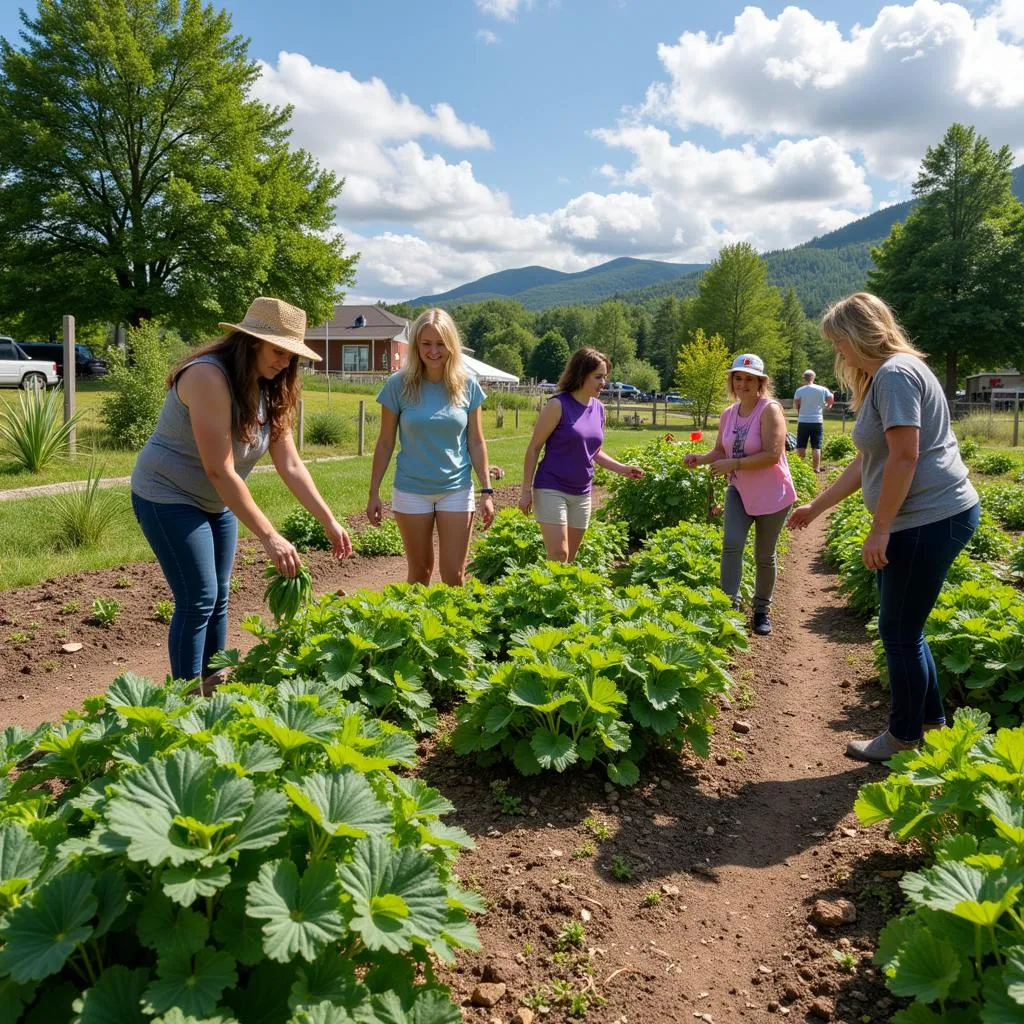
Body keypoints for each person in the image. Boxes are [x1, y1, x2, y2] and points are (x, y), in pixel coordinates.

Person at [789, 293, 979, 763]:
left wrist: (880, 530)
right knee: (906, 629)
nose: (839, 354)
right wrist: (817, 506)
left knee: (898, 632)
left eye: (839, 342)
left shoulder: (894, 375)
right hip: (930, 519)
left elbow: (905, 456)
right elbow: (869, 461)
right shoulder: (889, 376)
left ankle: (903, 737)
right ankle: (931, 725)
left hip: (926, 521)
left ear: (859, 335)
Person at [131, 296, 353, 684]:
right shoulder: (208, 378)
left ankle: (214, 686)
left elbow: (291, 464)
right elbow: (219, 469)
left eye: (291, 354)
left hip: (217, 501)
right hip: (167, 494)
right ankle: (184, 703)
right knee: (198, 597)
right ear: (250, 341)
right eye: (277, 351)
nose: (285, 361)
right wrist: (270, 536)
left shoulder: (271, 387)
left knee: (219, 596)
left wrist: (329, 519)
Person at [366, 308, 494, 585]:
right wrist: (374, 492)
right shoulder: (398, 385)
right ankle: (414, 627)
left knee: (453, 574)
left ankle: (452, 629)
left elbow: (475, 440)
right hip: (411, 490)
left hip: (456, 489)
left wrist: (486, 490)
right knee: (420, 572)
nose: (433, 351)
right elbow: (386, 442)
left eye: (440, 344)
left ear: (451, 345)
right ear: (416, 346)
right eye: (426, 343)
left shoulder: (467, 386)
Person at [683, 353, 796, 636]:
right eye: (738, 378)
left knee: (763, 555)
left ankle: (761, 610)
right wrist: (702, 458)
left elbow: (772, 455)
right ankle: (729, 607)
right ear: (732, 381)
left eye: (749, 379)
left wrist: (734, 464)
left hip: (772, 494)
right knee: (731, 543)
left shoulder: (769, 410)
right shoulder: (728, 414)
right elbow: (721, 450)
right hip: (740, 489)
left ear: (760, 382)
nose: (743, 383)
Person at [519, 347, 643, 561]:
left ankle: (558, 595)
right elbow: (534, 448)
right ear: (581, 375)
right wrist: (525, 491)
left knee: (569, 559)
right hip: (551, 488)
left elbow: (593, 451)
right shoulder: (558, 405)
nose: (603, 382)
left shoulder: (599, 408)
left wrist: (622, 469)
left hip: (582, 492)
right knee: (559, 554)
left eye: (604, 377)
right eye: (598, 377)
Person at [793, 369, 834, 471]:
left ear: (804, 378)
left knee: (801, 445)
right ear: (813, 377)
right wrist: (828, 405)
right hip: (817, 421)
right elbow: (831, 397)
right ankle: (816, 468)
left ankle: (800, 468)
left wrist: (800, 412)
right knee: (816, 446)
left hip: (803, 420)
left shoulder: (799, 390)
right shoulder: (822, 389)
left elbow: (797, 404)